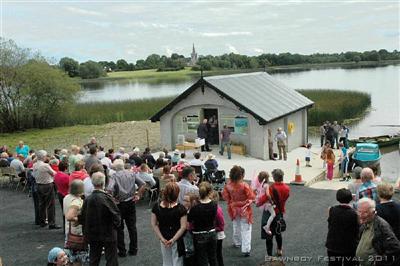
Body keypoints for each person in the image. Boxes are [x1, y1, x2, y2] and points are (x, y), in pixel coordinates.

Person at [79, 172, 121, 266]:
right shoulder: (107, 198)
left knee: (94, 258)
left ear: (93, 183)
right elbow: (116, 216)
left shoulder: (87, 199)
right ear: (103, 183)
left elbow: (82, 217)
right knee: (111, 259)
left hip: (93, 233)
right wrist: (115, 226)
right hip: (108, 233)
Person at [109, 159, 146, 257]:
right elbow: (143, 184)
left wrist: (113, 199)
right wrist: (139, 195)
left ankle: (122, 251)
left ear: (115, 167)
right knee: (132, 227)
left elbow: (109, 189)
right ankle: (133, 249)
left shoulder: (114, 176)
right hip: (131, 202)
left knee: (119, 228)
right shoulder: (131, 174)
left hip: (119, 204)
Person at [151, 182, 187, 266]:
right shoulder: (181, 209)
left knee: (166, 261)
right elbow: (183, 227)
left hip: (163, 237)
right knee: (177, 260)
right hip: (177, 239)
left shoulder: (157, 207)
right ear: (177, 194)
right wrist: (173, 239)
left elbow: (154, 224)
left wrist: (161, 238)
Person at [356, 197, 400, 266]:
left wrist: (377, 262)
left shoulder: (382, 226)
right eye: (359, 211)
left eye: (365, 212)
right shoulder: (365, 223)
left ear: (373, 212)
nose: (361, 215)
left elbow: (395, 248)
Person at [256, 169, 290, 258]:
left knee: (268, 234)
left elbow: (264, 198)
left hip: (269, 212)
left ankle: (269, 255)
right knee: (278, 232)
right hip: (279, 212)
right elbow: (285, 198)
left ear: (274, 178)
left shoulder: (271, 188)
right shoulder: (287, 188)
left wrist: (257, 203)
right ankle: (279, 249)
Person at [222, 166, 255, 257]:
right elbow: (251, 197)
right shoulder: (244, 185)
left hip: (234, 208)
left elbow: (225, 197)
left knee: (236, 225)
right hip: (244, 209)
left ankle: (237, 242)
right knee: (246, 229)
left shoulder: (228, 185)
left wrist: (232, 202)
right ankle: (246, 249)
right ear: (241, 175)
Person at [325, 188, 359, 266]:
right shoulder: (355, 214)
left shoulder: (331, 210)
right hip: (349, 245)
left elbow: (330, 222)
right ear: (351, 198)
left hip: (333, 244)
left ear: (337, 198)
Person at [188, 182, 218, 265]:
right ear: (209, 192)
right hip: (211, 232)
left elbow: (189, 219)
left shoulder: (195, 208)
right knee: (213, 257)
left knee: (202, 258)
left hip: (199, 234)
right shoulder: (214, 205)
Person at [33, 150, 60, 229]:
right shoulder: (45, 165)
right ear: (44, 157)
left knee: (42, 204)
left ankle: (43, 221)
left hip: (38, 185)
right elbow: (54, 173)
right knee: (50, 204)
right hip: (47, 185)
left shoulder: (35, 165)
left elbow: (34, 175)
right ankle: (52, 223)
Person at [63, 179, 88, 266]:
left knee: (71, 257)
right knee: (78, 258)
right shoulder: (77, 201)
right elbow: (69, 216)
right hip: (77, 232)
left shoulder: (66, 197)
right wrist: (80, 219)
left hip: (68, 230)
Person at [54, 161, 70, 233]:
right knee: (68, 213)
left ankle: (65, 228)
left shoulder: (56, 174)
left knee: (64, 212)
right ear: (66, 168)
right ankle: (68, 229)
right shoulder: (66, 177)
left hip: (60, 193)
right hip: (66, 195)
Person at [211, 191, 225, 266]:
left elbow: (222, 224)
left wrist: (214, 228)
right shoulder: (216, 208)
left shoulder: (217, 209)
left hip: (218, 234)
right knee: (216, 253)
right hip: (215, 232)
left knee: (217, 253)